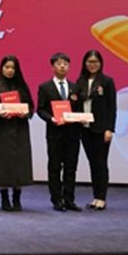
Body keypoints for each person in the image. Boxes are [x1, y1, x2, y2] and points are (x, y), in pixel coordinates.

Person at [0, 55, 34, 212]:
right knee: (2, 165)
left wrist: (26, 113)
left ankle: (17, 198)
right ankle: (4, 198)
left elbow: (31, 107)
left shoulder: (22, 86)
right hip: (1, 130)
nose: (10, 70)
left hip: (19, 130)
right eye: (7, 67)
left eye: (13, 67)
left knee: (20, 164)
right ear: (2, 68)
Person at [36, 52, 81, 212]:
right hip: (55, 133)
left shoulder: (75, 87)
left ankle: (69, 199)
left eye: (65, 64)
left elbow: (79, 109)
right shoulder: (45, 87)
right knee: (55, 167)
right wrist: (51, 119)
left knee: (71, 168)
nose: (62, 66)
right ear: (53, 67)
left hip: (72, 133)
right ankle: (56, 199)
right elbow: (40, 109)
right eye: (59, 64)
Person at [75, 50, 117, 211]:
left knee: (101, 163)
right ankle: (95, 196)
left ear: (100, 63)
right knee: (92, 163)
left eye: (95, 62)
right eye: (89, 62)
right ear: (84, 64)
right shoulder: (80, 81)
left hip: (101, 129)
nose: (92, 65)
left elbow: (112, 107)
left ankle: (102, 198)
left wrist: (109, 129)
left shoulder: (107, 82)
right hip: (84, 128)